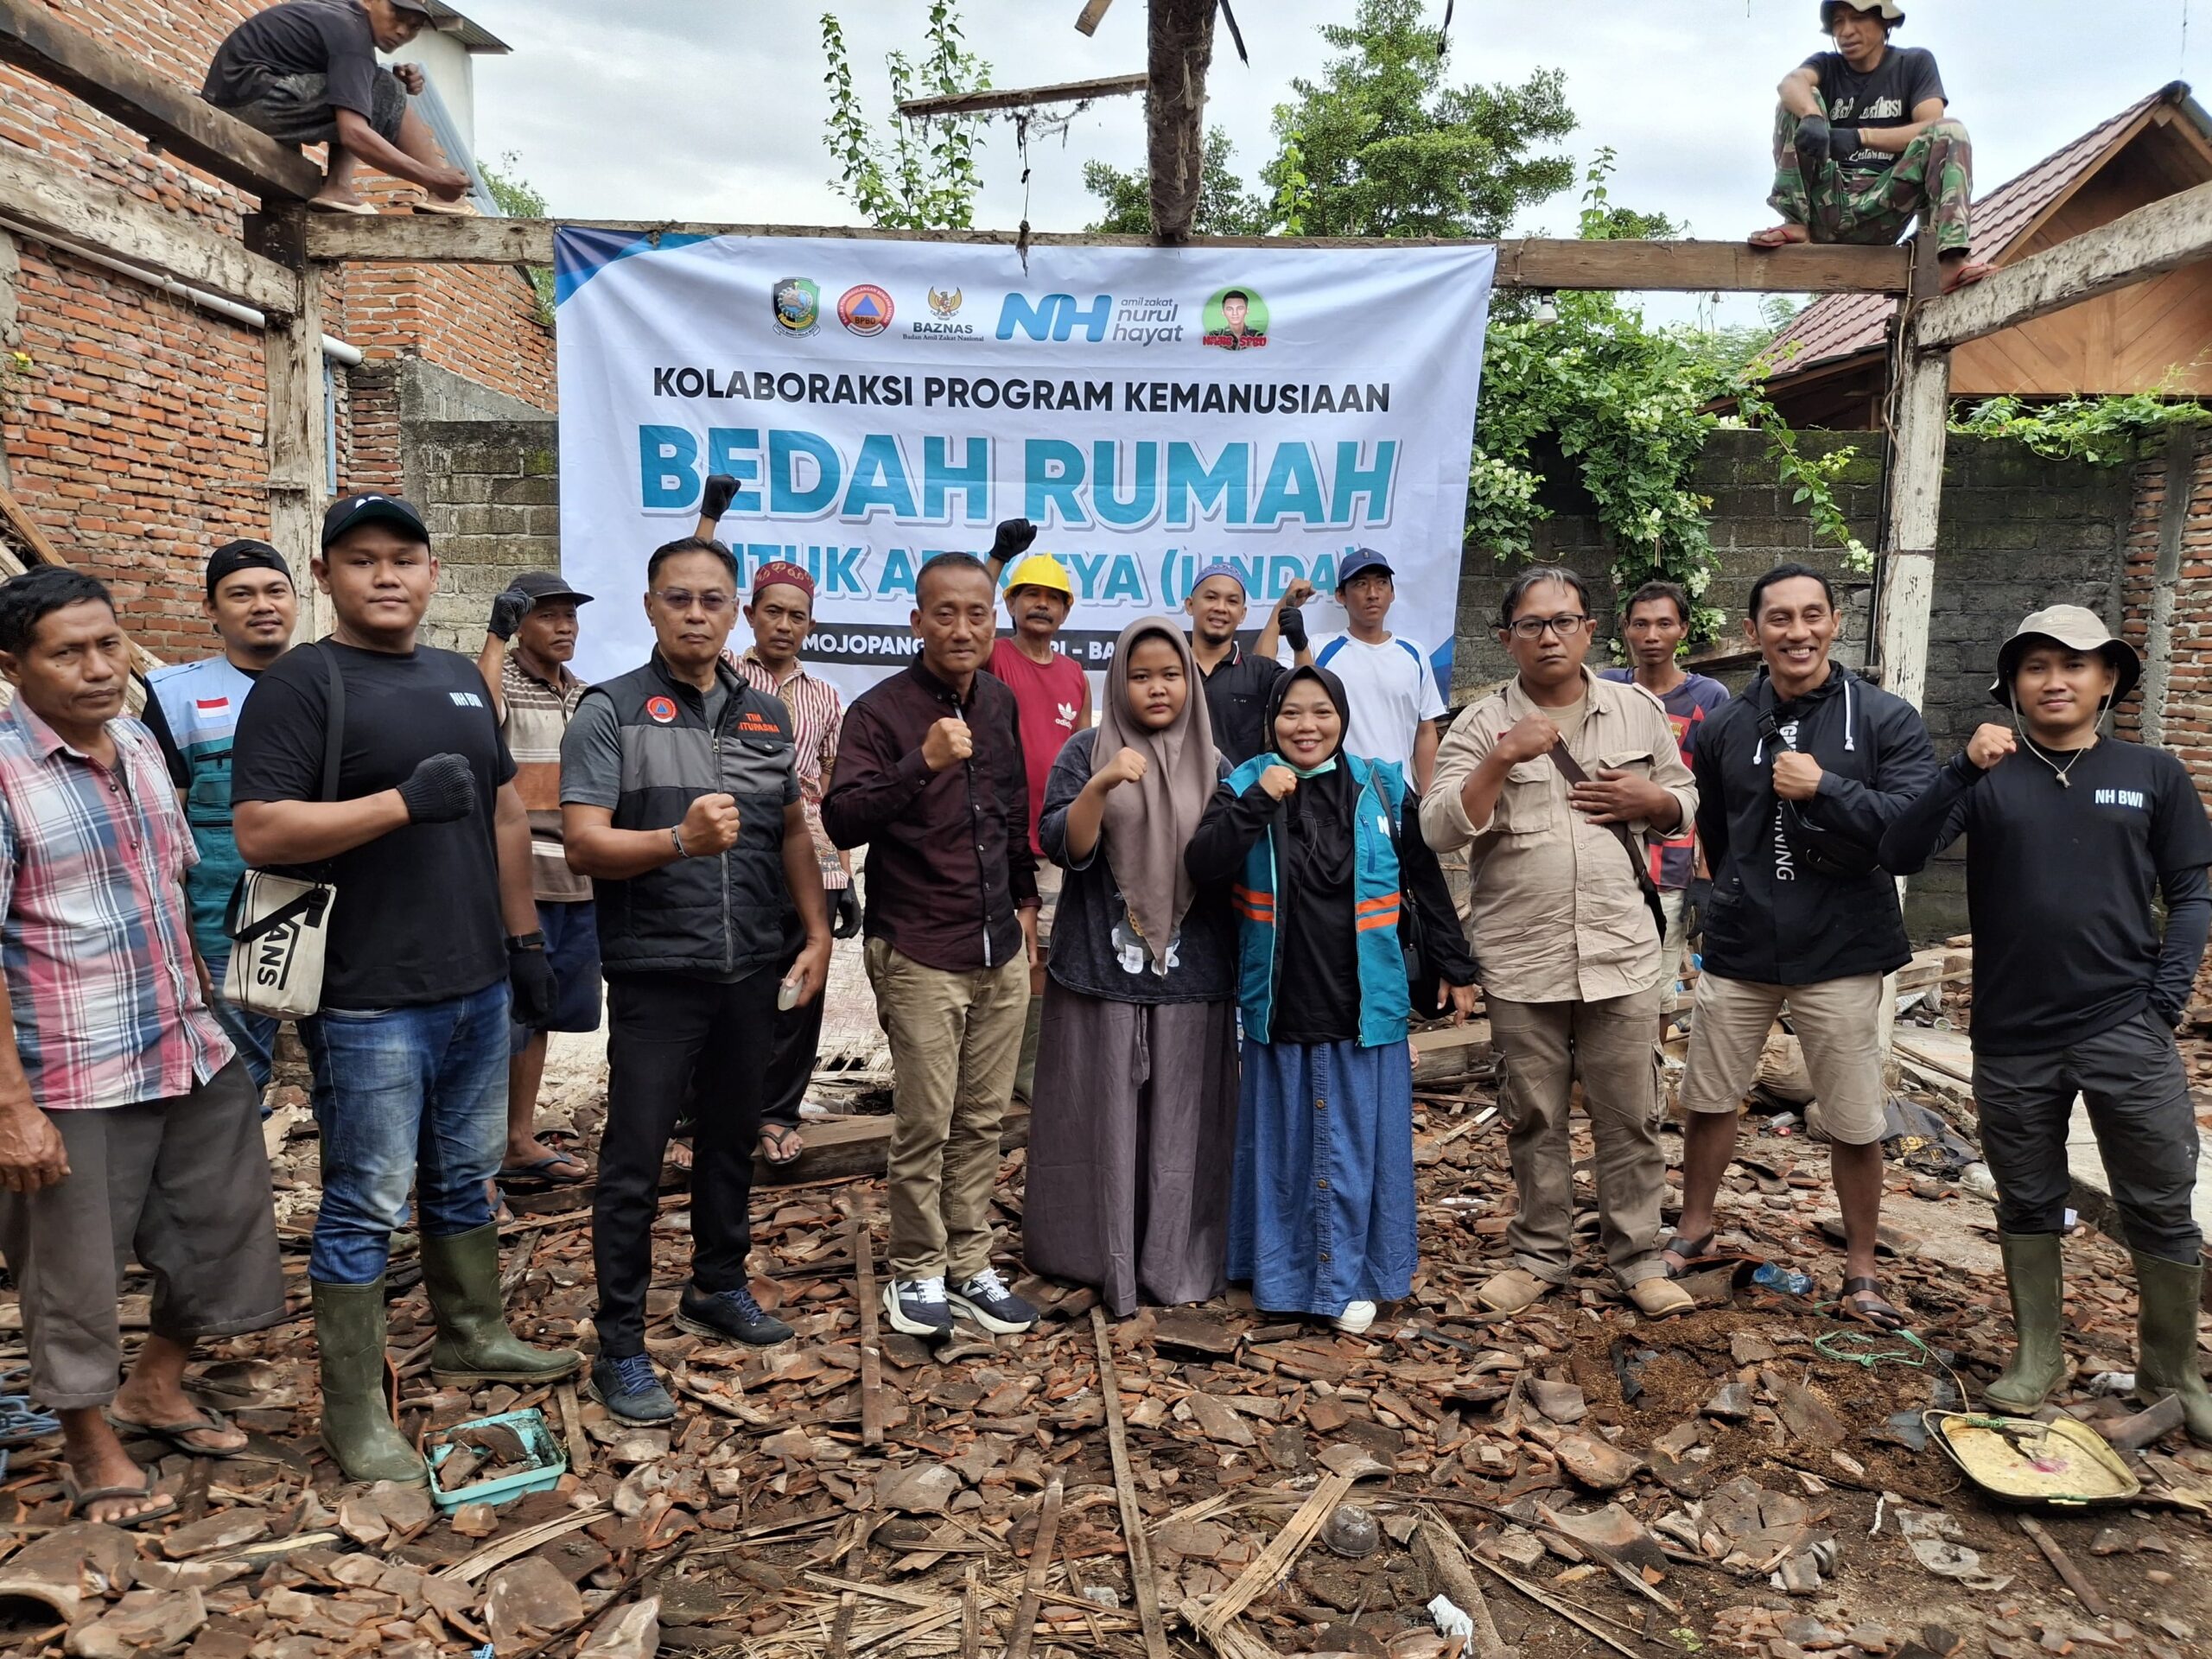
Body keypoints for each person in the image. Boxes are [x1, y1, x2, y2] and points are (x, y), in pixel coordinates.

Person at [232, 493, 577, 1484]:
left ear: (432, 574)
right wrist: (396, 805)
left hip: (474, 984)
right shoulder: (303, 683)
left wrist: (524, 942)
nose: (385, 576)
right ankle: (355, 1411)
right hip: (368, 996)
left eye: (404, 558)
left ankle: (473, 1330)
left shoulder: (460, 683)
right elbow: (259, 830)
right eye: (361, 560)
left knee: (464, 1172)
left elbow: (506, 814)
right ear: (327, 575)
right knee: (366, 1202)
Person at [1882, 607, 2212, 1440]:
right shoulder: (1989, 772)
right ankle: (2038, 1356)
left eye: (2074, 663)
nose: (2055, 679)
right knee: (2029, 1197)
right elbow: (1899, 852)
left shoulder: (2152, 772)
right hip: (2011, 1030)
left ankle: (2171, 1366)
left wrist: (2163, 1000)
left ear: (2109, 679)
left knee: (2159, 1197)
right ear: (2013, 686)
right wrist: (1958, 769)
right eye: (2036, 666)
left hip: (2123, 1027)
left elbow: (2193, 893)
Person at [0, 567, 286, 1526]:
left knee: (223, 1232)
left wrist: (214, 1009)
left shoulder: (138, 742)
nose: (97, 668)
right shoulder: (4, 774)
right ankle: (88, 1439)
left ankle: (155, 1384)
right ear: (14, 667)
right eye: (67, 652)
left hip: (184, 1042)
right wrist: (12, 1108)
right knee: (71, 1269)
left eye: (108, 644)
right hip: (69, 1069)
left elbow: (172, 893)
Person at [561, 537, 833, 1422]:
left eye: (713, 601)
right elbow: (583, 844)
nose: (695, 614)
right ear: (648, 607)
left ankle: (717, 1285)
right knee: (635, 1158)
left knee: (728, 1139)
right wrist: (678, 839)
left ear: (736, 615)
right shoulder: (609, 711)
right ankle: (622, 1343)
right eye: (678, 598)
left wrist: (818, 932)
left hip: (748, 964)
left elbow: (792, 829)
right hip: (656, 972)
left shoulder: (764, 715)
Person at [1422, 566, 1700, 1320]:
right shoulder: (1480, 724)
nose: (1550, 636)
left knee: (1631, 1113)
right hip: (1522, 953)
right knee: (1534, 1116)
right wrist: (1503, 757)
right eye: (1533, 624)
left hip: (1621, 950)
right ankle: (1539, 1253)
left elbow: (1685, 798)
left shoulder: (1637, 710)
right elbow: (1438, 826)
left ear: (1588, 630)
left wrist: (1659, 801)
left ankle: (1639, 1257)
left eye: (1565, 621)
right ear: (1507, 637)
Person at [1665, 563, 1937, 1328]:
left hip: (1842, 950)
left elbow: (1912, 833)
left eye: (1812, 615)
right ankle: (1693, 1229)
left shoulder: (1884, 719)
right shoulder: (1724, 727)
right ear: (1753, 633)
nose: (1798, 632)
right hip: (1744, 946)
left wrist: (1827, 788)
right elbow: (1717, 833)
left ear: (1835, 624)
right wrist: (1728, 904)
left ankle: (1860, 1268)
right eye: (1779, 619)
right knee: (1709, 1097)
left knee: (1854, 1117)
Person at [1187, 664, 1478, 1334]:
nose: (1307, 727)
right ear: (1272, 721)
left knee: (1358, 1148)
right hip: (1279, 1000)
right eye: (1292, 713)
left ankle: (1352, 1277)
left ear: (1342, 720)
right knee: (1286, 1147)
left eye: (1322, 713)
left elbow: (1424, 878)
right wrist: (1258, 799)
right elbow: (1201, 864)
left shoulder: (1379, 784)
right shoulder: (1242, 783)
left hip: (1364, 1003)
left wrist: (1456, 965)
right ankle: (1285, 1277)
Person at [1026, 620, 1239, 1317]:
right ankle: (1093, 1254)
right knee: (1101, 1123)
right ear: (1118, 681)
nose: (1156, 688)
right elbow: (1065, 845)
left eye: (1170, 675)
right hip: (1099, 969)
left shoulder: (1219, 764)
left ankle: (1176, 1256)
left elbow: (1230, 863)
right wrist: (1102, 784)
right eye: (1140, 675)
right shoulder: (1085, 751)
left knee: (1181, 1125)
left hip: (1193, 973)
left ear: (1190, 682)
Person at [143, 539, 300, 1094]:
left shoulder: (336, 680)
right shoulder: (174, 695)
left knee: (349, 1051)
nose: (262, 605)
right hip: (223, 908)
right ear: (211, 609)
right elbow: (165, 819)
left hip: (333, 901)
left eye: (275, 590)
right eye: (241, 594)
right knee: (238, 1066)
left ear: (295, 598)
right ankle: (246, 1175)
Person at [729, 561, 865, 1168]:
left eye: (797, 615)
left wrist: (844, 874)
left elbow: (833, 788)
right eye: (773, 612)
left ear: (811, 624)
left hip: (812, 862)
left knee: (799, 992)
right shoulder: (723, 674)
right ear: (749, 613)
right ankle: (705, 1114)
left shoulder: (826, 696)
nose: (784, 625)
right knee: (732, 988)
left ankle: (776, 1112)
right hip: (736, 855)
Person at [475, 570, 598, 1186]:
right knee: (503, 1018)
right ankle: (478, 1163)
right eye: (549, 616)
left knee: (542, 1014)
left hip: (578, 880)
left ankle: (518, 1140)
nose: (565, 626)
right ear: (520, 625)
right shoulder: (502, 684)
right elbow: (475, 713)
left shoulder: (584, 695)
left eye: (570, 615)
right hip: (519, 883)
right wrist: (495, 638)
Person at [1752, 1, 1991, 291]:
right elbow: (1791, 83)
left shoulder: (1914, 64)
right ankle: (1795, 221)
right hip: (1827, 201)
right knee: (1796, 102)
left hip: (1882, 205)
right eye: (1838, 22)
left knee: (1951, 131)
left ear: (1885, 23)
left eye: (1857, 19)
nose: (1846, 31)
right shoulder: (1827, 66)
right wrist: (1813, 116)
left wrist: (1860, 137)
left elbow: (1932, 125)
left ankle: (1952, 261)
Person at [978, 522, 1091, 1108]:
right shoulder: (992, 656)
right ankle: (984, 1075)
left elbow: (1083, 755)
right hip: (995, 840)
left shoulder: (1074, 673)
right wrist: (999, 559)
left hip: (1052, 847)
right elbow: (968, 615)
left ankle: (1028, 1072)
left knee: (1040, 957)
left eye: (1053, 597)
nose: (1042, 604)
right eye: (1031, 594)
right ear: (1012, 603)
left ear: (1066, 609)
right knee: (993, 959)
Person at [201, 0, 474, 218]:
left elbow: (350, 79)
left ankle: (338, 188)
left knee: (371, 86)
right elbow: (353, 134)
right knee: (378, 87)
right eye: (396, 16)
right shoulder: (351, 33)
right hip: (247, 101)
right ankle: (441, 194)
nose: (402, 31)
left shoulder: (344, 20)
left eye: (413, 27)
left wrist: (390, 79)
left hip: (243, 95)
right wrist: (433, 177)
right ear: (370, 2)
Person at [1599, 580, 1731, 1013]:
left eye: (1664, 624)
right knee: (1600, 975)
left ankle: (1648, 1077)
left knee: (1655, 985)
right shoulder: (1607, 688)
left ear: (1683, 630)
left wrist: (1707, 873)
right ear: (1625, 628)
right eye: (1640, 624)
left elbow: (1714, 790)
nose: (1651, 636)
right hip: (1608, 854)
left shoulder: (1708, 697)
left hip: (1671, 859)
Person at [1300, 550, 1446, 794]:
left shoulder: (1414, 653)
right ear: (1340, 595)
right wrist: (1284, 609)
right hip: (1338, 796)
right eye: (1360, 584)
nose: (1372, 594)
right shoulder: (1318, 649)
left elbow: (1425, 730)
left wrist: (1429, 796)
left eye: (1381, 583)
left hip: (1400, 796)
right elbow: (1269, 671)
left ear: (1392, 593)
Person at [1185, 562, 1314, 766]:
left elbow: (1309, 696)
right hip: (1178, 794)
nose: (1220, 608)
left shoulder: (1258, 670)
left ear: (1243, 613)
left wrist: (1300, 645)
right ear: (1190, 605)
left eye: (1232, 601)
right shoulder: (1171, 667)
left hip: (1241, 794)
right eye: (1211, 597)